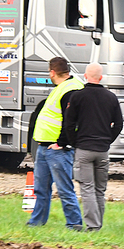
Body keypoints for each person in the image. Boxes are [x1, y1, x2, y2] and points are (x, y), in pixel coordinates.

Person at [26, 57, 84, 230]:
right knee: (40, 189)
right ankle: (36, 222)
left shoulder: (70, 90)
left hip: (57, 149)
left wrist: (63, 143)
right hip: (46, 147)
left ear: (52, 72)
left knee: (64, 188)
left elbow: (71, 121)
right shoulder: (63, 87)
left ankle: (74, 224)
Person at [65, 62, 123, 231]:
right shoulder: (111, 97)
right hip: (103, 151)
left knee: (87, 189)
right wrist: (107, 141)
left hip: (84, 149)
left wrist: (76, 142)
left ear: (85, 76)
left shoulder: (77, 96)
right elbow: (119, 124)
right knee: (99, 190)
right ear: (101, 77)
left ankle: (93, 227)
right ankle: (98, 224)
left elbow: (69, 124)